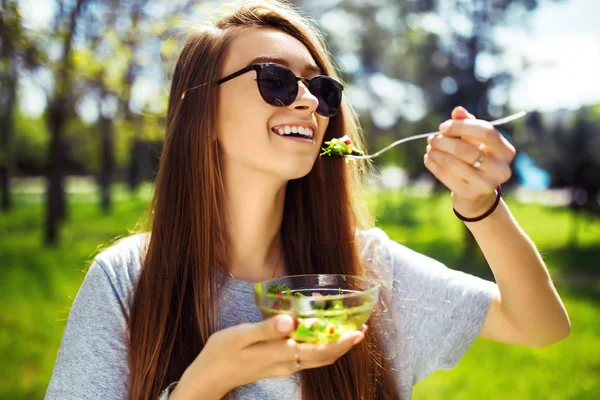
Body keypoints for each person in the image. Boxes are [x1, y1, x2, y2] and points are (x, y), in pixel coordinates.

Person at [45, 1, 570, 399]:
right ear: (201, 113)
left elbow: (541, 325)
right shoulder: (127, 279)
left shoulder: (365, 270)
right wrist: (206, 383)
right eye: (274, 80)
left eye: (322, 89)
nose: (309, 101)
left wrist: (480, 203)